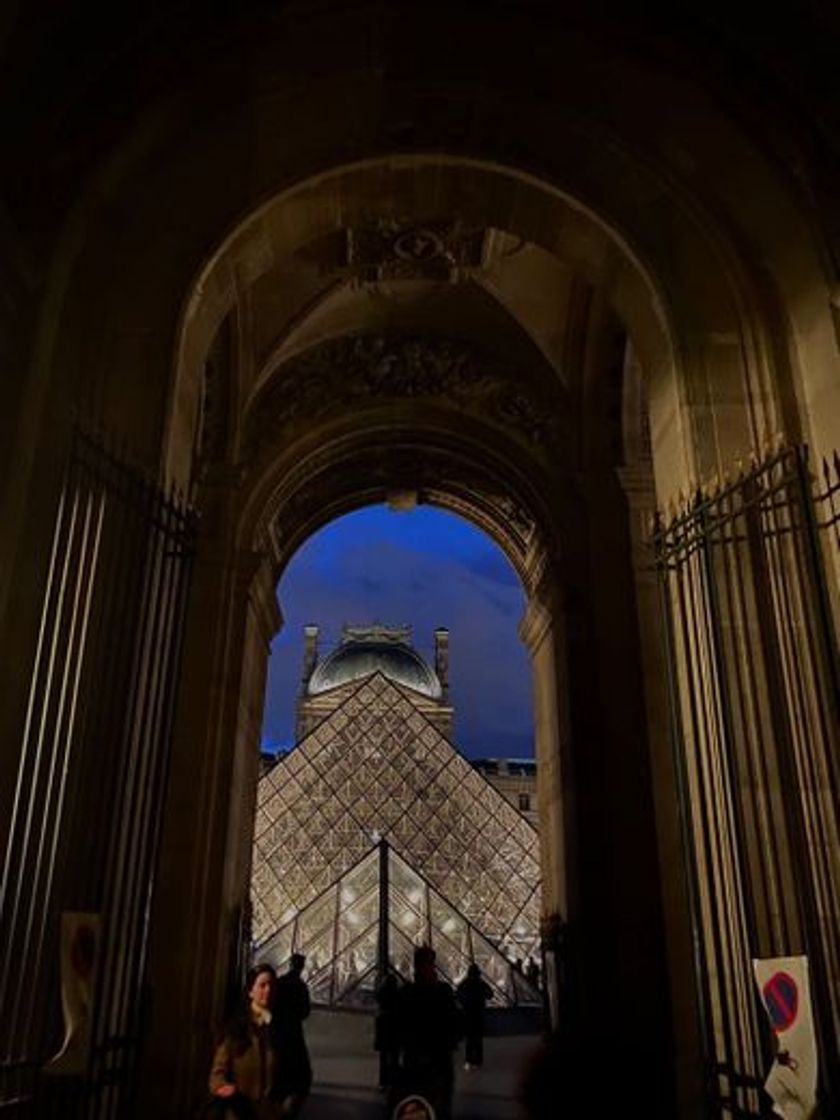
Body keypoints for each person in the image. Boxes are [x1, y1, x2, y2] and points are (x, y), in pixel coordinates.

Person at [394, 946, 461, 1120]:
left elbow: (398, 1025)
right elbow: (454, 1022)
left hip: (414, 1056)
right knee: (441, 1102)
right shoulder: (443, 991)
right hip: (439, 1055)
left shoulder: (405, 992)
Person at [207, 963, 281, 1119]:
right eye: (262, 985)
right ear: (250, 991)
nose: (268, 990)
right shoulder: (236, 1030)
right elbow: (217, 1075)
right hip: (239, 1113)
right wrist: (225, 1088)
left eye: (271, 986)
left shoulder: (277, 1029)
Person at [271, 953, 312, 1116]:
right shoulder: (301, 986)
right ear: (301, 966)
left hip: (278, 1030)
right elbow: (305, 1011)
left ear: (290, 964)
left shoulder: (280, 983)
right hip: (293, 1031)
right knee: (300, 1073)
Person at [456, 963, 493, 1070]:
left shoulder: (465, 983)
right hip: (478, 1014)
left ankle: (469, 1060)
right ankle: (478, 1061)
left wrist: (463, 1003)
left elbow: (458, 994)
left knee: (470, 1039)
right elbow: (490, 995)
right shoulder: (481, 983)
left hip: (468, 1014)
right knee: (478, 1039)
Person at [374, 972, 401, 1091]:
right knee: (394, 1058)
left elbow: (378, 1029)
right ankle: (394, 1081)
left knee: (383, 1059)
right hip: (395, 1033)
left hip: (384, 1034)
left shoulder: (381, 1013)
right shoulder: (398, 1001)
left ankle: (383, 1082)